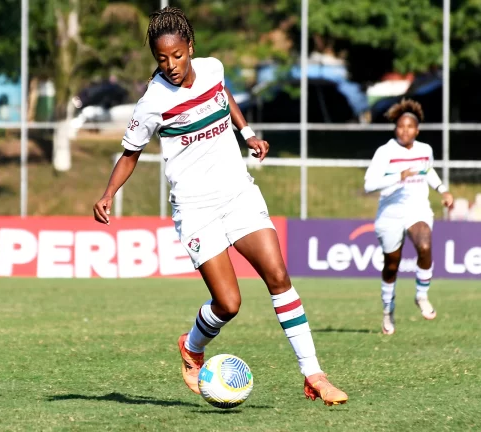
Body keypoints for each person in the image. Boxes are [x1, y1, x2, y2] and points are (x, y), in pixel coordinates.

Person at [93, 6, 348, 406]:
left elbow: (223, 94)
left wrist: (247, 133)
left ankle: (314, 374)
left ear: (190, 48)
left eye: (177, 55)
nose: (171, 65)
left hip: (238, 194)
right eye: (162, 59)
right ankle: (193, 346)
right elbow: (130, 154)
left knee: (278, 275)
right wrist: (108, 194)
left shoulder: (212, 68)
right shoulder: (152, 102)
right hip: (195, 209)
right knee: (229, 303)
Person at [363, 99, 455, 335]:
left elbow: (428, 170)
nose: (405, 131)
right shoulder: (385, 152)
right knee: (392, 265)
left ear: (417, 129)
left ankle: (421, 296)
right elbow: (369, 185)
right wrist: (398, 176)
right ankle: (387, 310)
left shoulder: (425, 150)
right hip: (391, 213)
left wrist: (442, 190)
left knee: (425, 245)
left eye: (409, 127)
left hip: (417, 209)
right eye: (400, 126)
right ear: (395, 128)